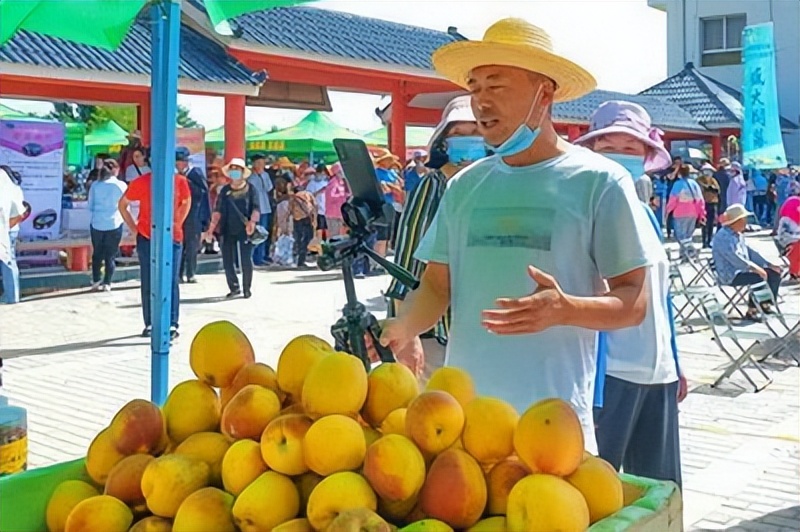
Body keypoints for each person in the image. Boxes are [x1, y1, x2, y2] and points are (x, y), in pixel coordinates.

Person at [380, 18, 660, 451]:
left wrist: (565, 309)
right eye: (475, 89)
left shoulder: (599, 182)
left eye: (497, 86)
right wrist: (398, 327)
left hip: (553, 429)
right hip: (464, 428)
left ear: (543, 94)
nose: (481, 103)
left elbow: (634, 300)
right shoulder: (464, 187)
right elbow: (436, 287)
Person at [574, 100, 685, 487]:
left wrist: (675, 361)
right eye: (609, 149)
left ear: (645, 156)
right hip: (612, 374)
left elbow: (661, 294)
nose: (620, 159)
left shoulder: (648, 213)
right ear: (590, 153)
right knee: (598, 491)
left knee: (658, 494)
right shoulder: (582, 213)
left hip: (659, 374)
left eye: (630, 150)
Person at [385, 95, 485, 378]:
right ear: (444, 142)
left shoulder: (494, 184)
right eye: (458, 133)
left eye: (476, 131)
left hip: (483, 339)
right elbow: (407, 265)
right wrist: (407, 331)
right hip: (440, 337)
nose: (469, 138)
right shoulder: (434, 185)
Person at [119, 168, 191, 339]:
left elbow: (186, 202)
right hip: (147, 235)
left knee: (171, 279)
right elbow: (123, 205)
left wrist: (177, 222)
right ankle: (150, 322)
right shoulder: (142, 181)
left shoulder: (179, 181)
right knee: (148, 279)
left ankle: (172, 323)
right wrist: (134, 229)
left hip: (172, 236)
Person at [712, 204, 783, 320]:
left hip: (741, 269)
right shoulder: (723, 237)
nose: (745, 223)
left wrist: (768, 264)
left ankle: (765, 303)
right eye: (743, 220)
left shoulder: (738, 235)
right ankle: (752, 310)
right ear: (736, 221)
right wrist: (755, 268)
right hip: (730, 274)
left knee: (775, 273)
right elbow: (734, 258)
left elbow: (751, 253)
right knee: (758, 277)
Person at [205, 159, 260, 299]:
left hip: (245, 229)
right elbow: (217, 210)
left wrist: (252, 222)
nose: (234, 172)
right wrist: (211, 229)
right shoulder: (225, 190)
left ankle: (247, 288)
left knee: (246, 259)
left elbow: (256, 208)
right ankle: (234, 287)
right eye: (232, 169)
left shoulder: (251, 189)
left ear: (242, 172)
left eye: (237, 169)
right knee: (227, 260)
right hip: (227, 228)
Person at [87, 166, 127, 291]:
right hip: (114, 222)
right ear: (115, 170)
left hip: (97, 223)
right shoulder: (121, 185)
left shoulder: (95, 185)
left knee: (97, 253)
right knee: (110, 255)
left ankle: (95, 279)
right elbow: (126, 204)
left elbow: (90, 205)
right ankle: (107, 282)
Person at [176, 148, 210, 284]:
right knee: (179, 245)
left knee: (191, 246)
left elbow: (202, 192)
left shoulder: (195, 173)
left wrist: (186, 183)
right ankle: (178, 274)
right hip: (179, 214)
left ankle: (190, 272)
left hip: (193, 214)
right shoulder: (174, 175)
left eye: (181, 162)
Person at [665, 164, 705, 258]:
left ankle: (688, 253)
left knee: (680, 235)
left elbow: (673, 199)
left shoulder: (677, 184)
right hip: (693, 213)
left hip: (680, 213)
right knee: (688, 235)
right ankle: (686, 253)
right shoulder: (694, 184)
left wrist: (668, 211)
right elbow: (700, 200)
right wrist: (701, 213)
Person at [0, 166, 25, 304]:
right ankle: (11, 295)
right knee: (8, 261)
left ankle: (11, 297)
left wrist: (5, 227)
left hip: (7, 229)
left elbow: (19, 213)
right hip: (11, 228)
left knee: (8, 262)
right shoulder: (14, 189)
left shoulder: (6, 189)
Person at [249, 154, 275, 266]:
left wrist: (262, 176)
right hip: (255, 209)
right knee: (256, 234)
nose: (261, 166)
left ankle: (262, 256)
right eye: (258, 163)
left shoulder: (265, 175)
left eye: (262, 163)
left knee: (264, 233)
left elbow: (269, 188)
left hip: (265, 207)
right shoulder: (250, 177)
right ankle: (254, 257)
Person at [288, 180, 317, 270]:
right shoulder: (308, 194)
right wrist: (314, 219)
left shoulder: (293, 198)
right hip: (307, 219)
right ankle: (301, 260)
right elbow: (315, 205)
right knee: (307, 238)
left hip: (297, 219)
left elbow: (289, 209)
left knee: (299, 239)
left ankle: (299, 260)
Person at [696, 163, 721, 248]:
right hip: (703, 203)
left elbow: (717, 190)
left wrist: (711, 188)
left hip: (713, 202)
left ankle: (709, 241)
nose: (707, 173)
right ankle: (704, 242)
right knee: (704, 223)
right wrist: (708, 188)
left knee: (711, 223)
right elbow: (701, 189)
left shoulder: (713, 180)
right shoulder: (699, 180)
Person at [776, 195, 800, 279]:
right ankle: (794, 271)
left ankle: (795, 270)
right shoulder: (787, 221)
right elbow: (791, 235)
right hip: (787, 243)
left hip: (789, 241)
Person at [324, 162, 350, 237]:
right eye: (340, 171)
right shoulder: (333, 182)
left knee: (340, 235)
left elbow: (348, 193)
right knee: (334, 235)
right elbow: (330, 197)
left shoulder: (342, 182)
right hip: (332, 214)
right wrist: (342, 197)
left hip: (340, 213)